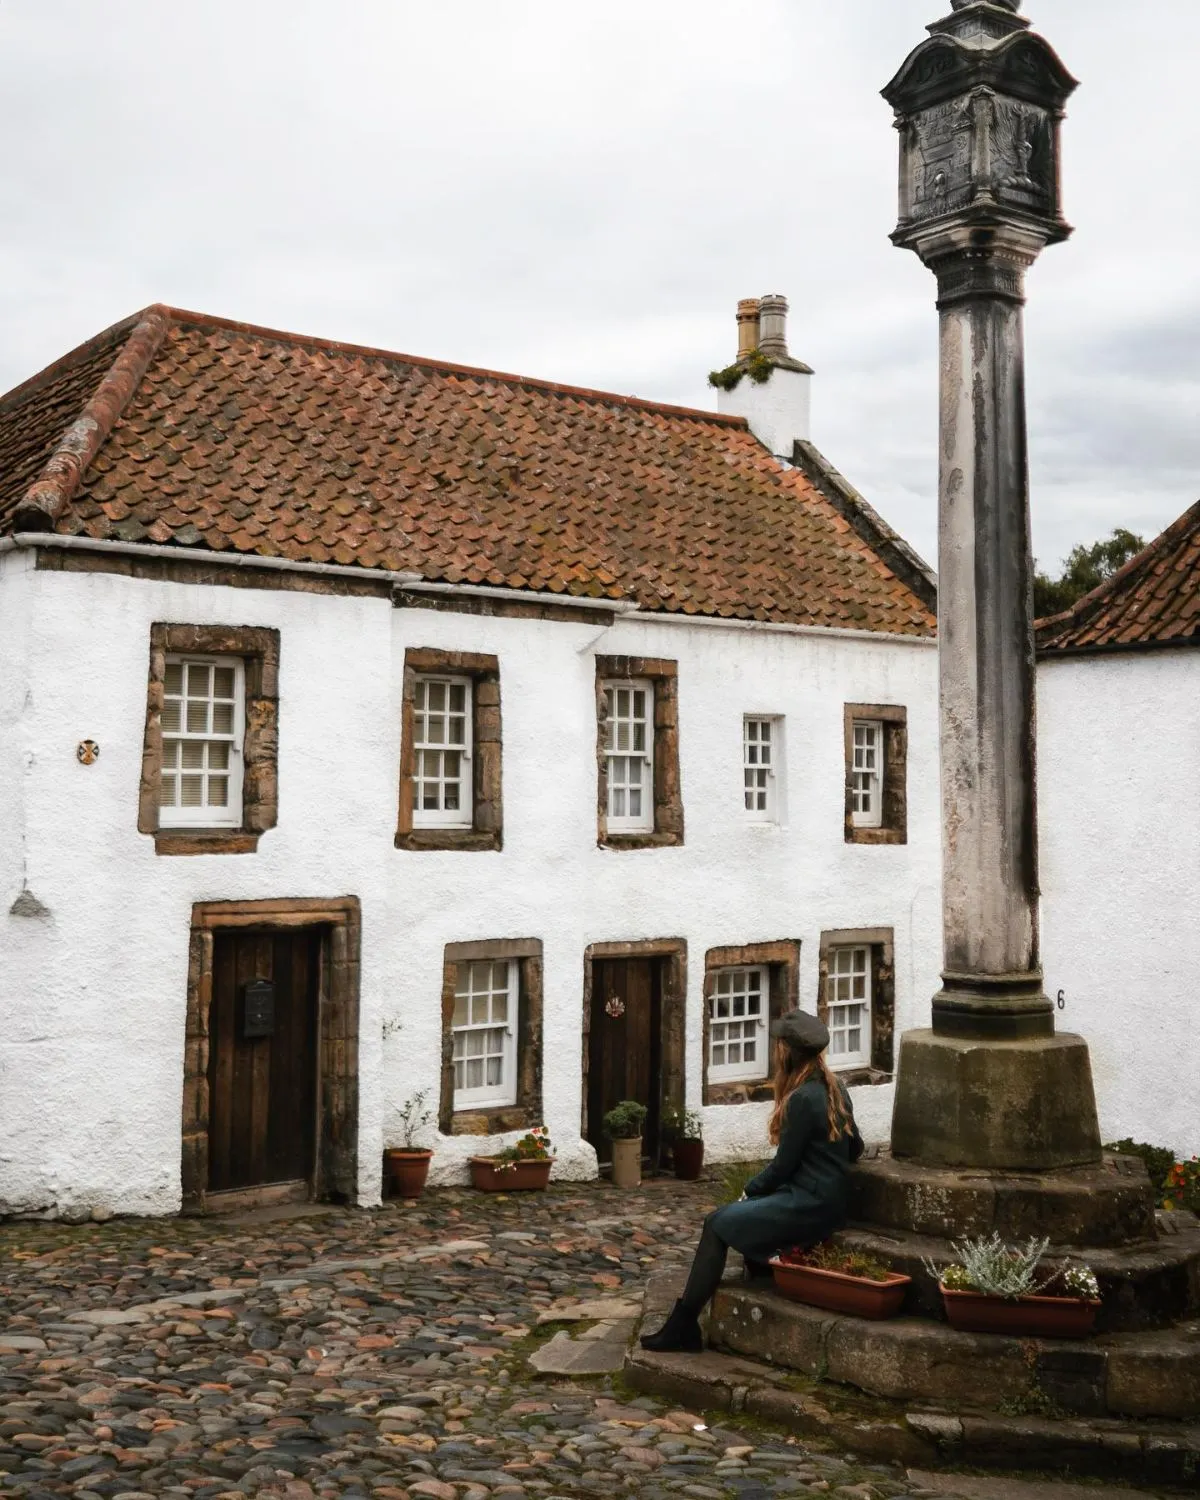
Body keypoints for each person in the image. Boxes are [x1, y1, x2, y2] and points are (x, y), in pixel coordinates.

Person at [641, 1008, 864, 1353]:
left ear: (788, 1050)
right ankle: (750, 1275)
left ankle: (683, 1325)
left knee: (716, 1223)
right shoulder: (836, 1088)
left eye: (779, 1044)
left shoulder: (803, 1098)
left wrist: (750, 1190)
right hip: (822, 1198)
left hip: (810, 1204)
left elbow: (782, 1167)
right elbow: (856, 1147)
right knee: (728, 1217)